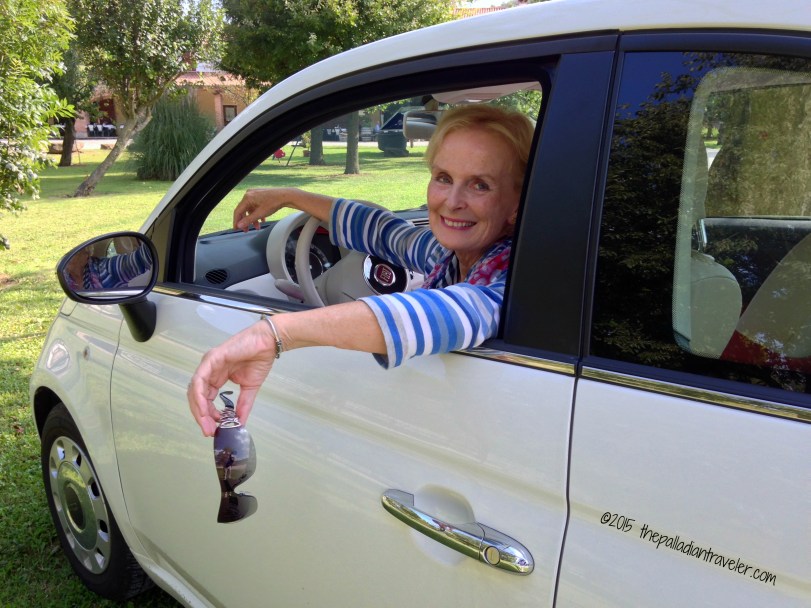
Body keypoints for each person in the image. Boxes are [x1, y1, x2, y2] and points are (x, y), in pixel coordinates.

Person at [188, 104, 535, 436]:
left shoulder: (516, 279)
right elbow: (385, 232)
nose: (452, 201)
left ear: (517, 206)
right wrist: (289, 196)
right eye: (444, 177)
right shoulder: (451, 256)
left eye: (480, 185)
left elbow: (450, 312)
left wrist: (271, 335)